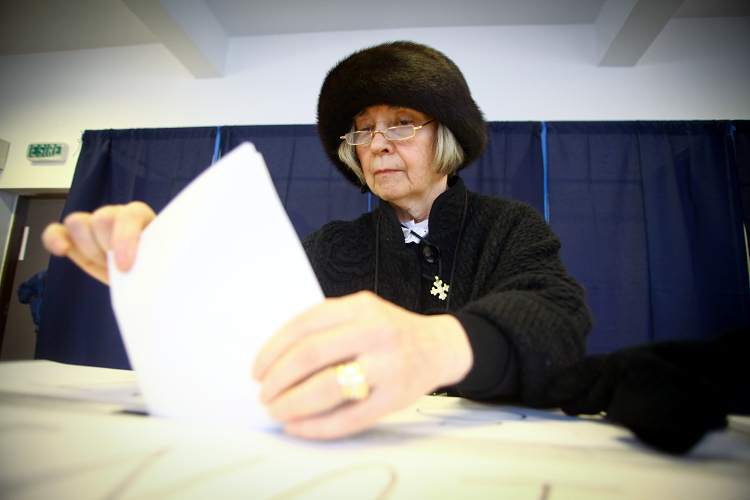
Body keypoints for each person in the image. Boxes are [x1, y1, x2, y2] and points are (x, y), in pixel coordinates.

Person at [42, 41, 592, 440]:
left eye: (401, 122)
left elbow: (560, 321)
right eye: (363, 129)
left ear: (444, 137)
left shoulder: (509, 227)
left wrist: (434, 347)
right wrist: (156, 269)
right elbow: (256, 329)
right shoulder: (333, 245)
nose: (376, 144)